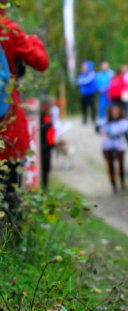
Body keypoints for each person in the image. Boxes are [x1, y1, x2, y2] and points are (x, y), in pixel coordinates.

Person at [0, 0, 49, 238]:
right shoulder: (8, 29)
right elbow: (40, 61)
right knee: (11, 188)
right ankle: (14, 245)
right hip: (6, 125)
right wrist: (34, 40)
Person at [100, 103, 128, 194]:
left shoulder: (124, 122)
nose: (115, 113)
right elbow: (99, 129)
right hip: (108, 145)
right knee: (111, 167)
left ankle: (123, 183)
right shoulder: (105, 122)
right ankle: (114, 186)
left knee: (121, 165)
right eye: (113, 111)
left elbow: (125, 133)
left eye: (117, 111)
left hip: (119, 145)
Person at [39, 99, 55, 191]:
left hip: (49, 145)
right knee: (44, 167)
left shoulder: (48, 116)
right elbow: (39, 129)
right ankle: (43, 186)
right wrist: (48, 125)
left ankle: (46, 185)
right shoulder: (41, 116)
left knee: (48, 167)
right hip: (43, 146)